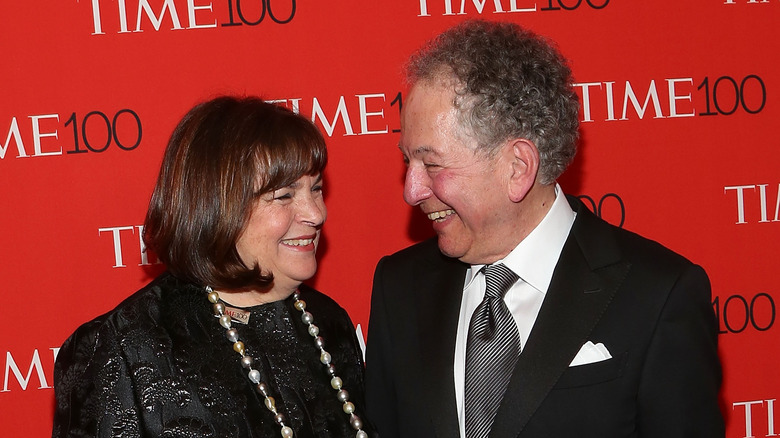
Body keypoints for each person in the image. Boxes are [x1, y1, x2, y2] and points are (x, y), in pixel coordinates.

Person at [364, 20, 723, 438]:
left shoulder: (659, 296)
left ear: (518, 168)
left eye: (433, 164)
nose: (412, 189)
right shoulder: (400, 287)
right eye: (407, 160)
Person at [53, 96, 373, 438]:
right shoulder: (122, 348)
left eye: (317, 189)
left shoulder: (327, 325)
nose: (316, 214)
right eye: (284, 196)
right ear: (218, 205)